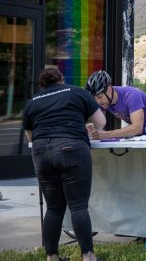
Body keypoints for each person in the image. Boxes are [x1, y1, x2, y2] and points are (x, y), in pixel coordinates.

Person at [23, 67, 106, 261]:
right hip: (72, 149)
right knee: (78, 206)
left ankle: (51, 257)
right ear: (61, 79)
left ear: (42, 84)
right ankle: (88, 256)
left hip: (42, 152)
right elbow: (100, 122)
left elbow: (31, 136)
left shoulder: (32, 102)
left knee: (53, 208)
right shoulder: (77, 92)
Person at [85, 70, 146, 140]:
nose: (98, 102)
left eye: (100, 97)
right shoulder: (104, 100)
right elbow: (99, 124)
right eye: (95, 98)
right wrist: (91, 128)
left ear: (109, 89)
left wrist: (106, 134)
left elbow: (137, 128)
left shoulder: (131, 95)